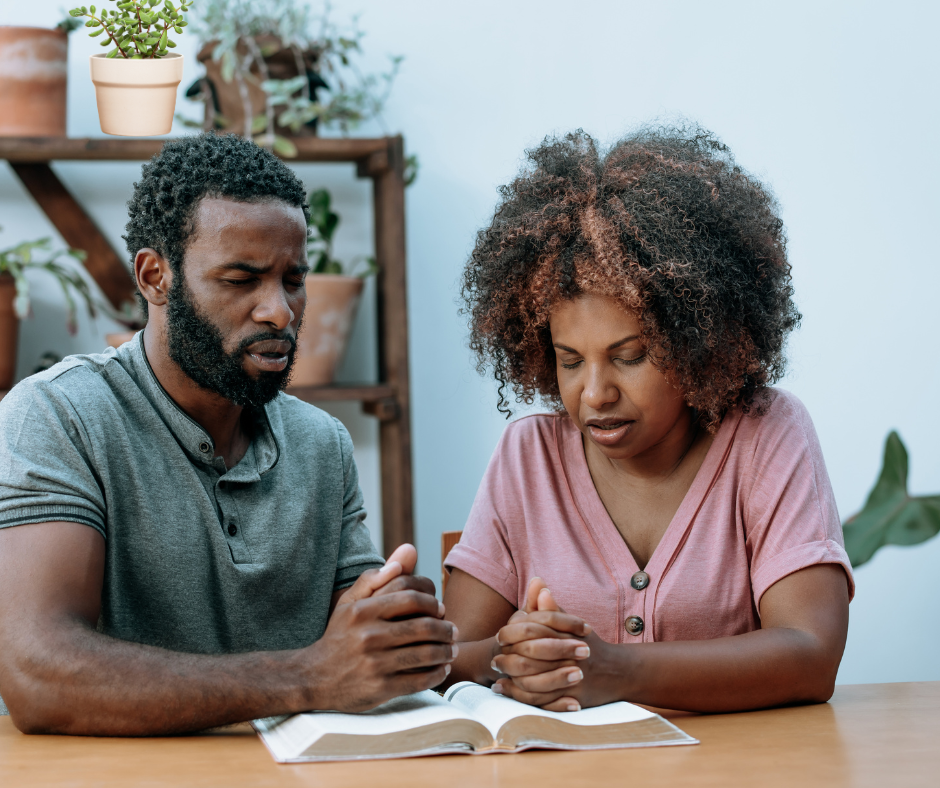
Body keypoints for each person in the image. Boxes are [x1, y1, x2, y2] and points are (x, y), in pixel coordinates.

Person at [0, 133, 455, 735]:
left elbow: (356, 645)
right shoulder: (59, 415)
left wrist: (409, 631)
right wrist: (311, 676)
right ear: (154, 276)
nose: (280, 311)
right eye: (242, 280)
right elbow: (39, 674)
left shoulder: (322, 443)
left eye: (293, 279)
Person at [443, 125, 853, 713]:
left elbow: (811, 655)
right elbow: (454, 658)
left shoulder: (765, 436)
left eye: (629, 356)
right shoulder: (528, 457)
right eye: (569, 361)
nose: (595, 393)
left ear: (698, 341)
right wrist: (513, 653)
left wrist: (614, 669)